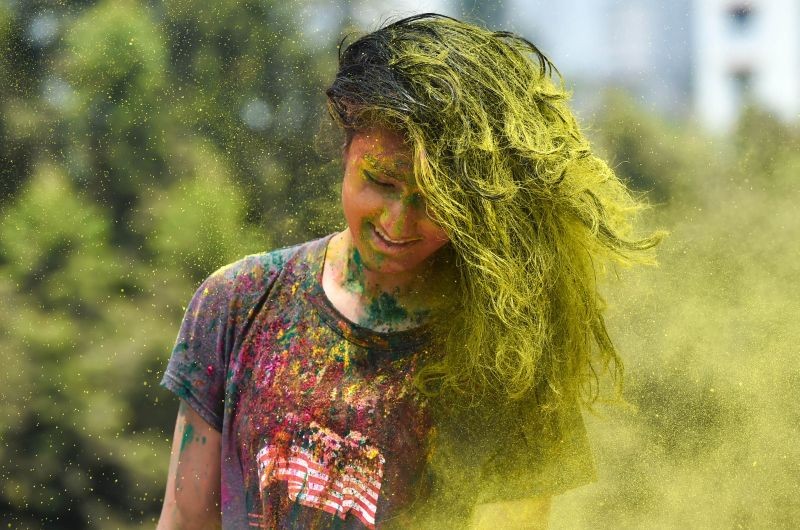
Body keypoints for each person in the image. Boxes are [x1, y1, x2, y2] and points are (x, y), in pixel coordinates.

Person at [156, 13, 663, 530]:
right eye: (380, 181)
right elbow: (185, 516)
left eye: (436, 200)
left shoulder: (510, 357)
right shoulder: (237, 302)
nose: (399, 222)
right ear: (345, 144)